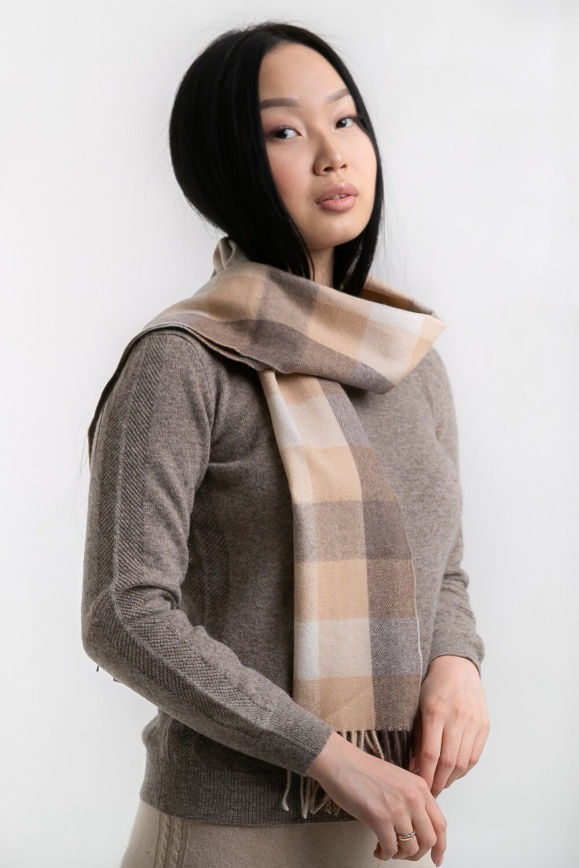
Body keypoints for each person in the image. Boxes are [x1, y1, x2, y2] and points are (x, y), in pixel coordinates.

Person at [82, 22, 489, 868]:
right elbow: (124, 613)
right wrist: (330, 756)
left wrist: (457, 662)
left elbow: (443, 569)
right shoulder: (182, 361)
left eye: (344, 121)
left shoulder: (409, 361)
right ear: (225, 162)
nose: (333, 155)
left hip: (395, 823)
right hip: (230, 832)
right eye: (284, 131)